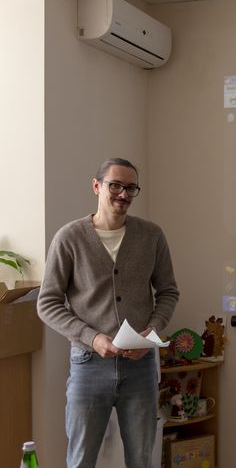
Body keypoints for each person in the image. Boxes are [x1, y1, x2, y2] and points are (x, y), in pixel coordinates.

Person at [37, 158, 179, 468]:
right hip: (88, 364)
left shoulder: (151, 236)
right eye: (115, 185)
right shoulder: (70, 237)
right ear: (96, 186)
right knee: (81, 459)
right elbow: (47, 303)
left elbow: (168, 292)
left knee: (141, 459)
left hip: (140, 366)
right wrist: (92, 338)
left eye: (131, 188)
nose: (123, 194)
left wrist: (152, 331)